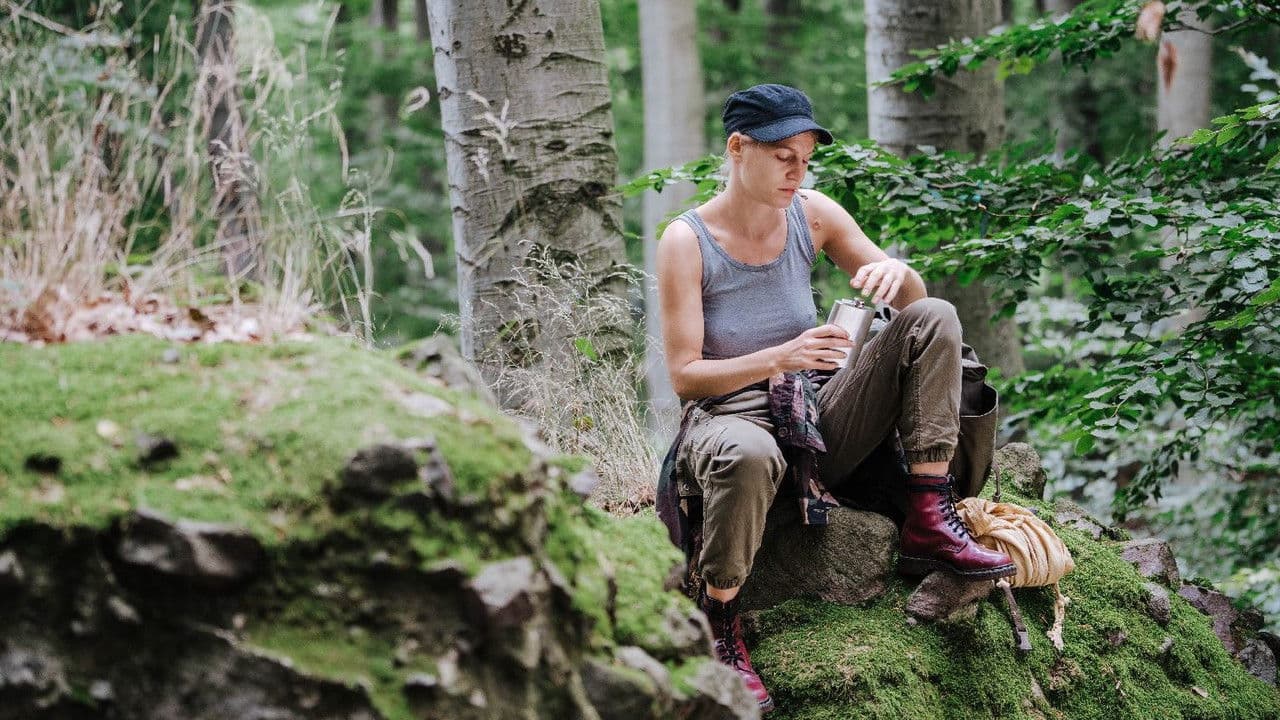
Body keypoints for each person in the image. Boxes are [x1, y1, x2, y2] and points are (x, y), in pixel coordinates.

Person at [654, 84, 1016, 713]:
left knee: (934, 313)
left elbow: (912, 311)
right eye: (783, 157)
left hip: (818, 417)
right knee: (748, 454)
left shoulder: (814, 213)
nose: (797, 171)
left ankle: (929, 516)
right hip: (732, 419)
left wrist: (901, 276)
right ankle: (719, 623)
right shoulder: (686, 241)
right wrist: (781, 356)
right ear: (738, 148)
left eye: (805, 158)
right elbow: (686, 377)